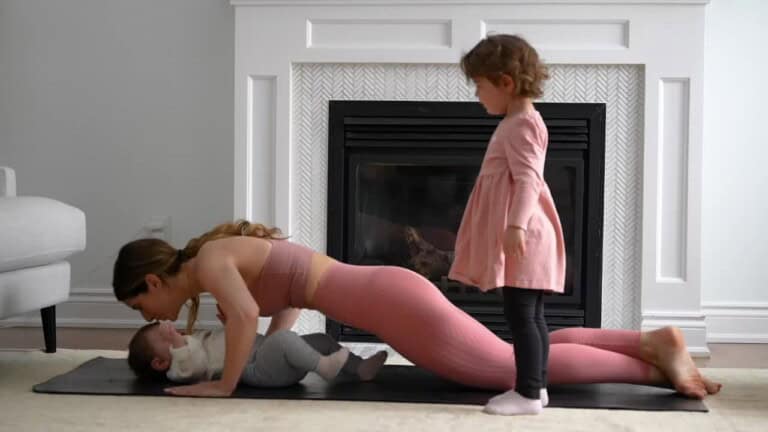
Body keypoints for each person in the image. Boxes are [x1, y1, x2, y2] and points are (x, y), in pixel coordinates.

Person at [112, 221, 721, 402]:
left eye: (143, 306)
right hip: (389, 295)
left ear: (152, 281)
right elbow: (282, 306)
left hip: (394, 301)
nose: (152, 315)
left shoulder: (212, 261)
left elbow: (244, 317)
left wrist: (223, 385)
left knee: (507, 372)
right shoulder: (217, 263)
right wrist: (269, 361)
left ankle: (651, 365)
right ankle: (648, 345)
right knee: (514, 358)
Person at [447, 34, 561, 415]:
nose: (477, 95)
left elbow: (529, 179)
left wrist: (515, 227)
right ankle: (537, 386)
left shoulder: (522, 125)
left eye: (480, 86)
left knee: (522, 316)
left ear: (505, 82)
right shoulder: (518, 121)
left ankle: (528, 393)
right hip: (525, 233)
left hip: (524, 236)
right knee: (532, 315)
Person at [127, 319, 388, 388]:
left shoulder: (192, 341)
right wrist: (177, 341)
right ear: (160, 363)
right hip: (257, 370)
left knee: (321, 338)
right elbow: (195, 365)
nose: (172, 332)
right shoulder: (178, 371)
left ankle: (359, 369)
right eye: (164, 338)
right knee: (284, 339)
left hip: (268, 356)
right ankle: (323, 367)